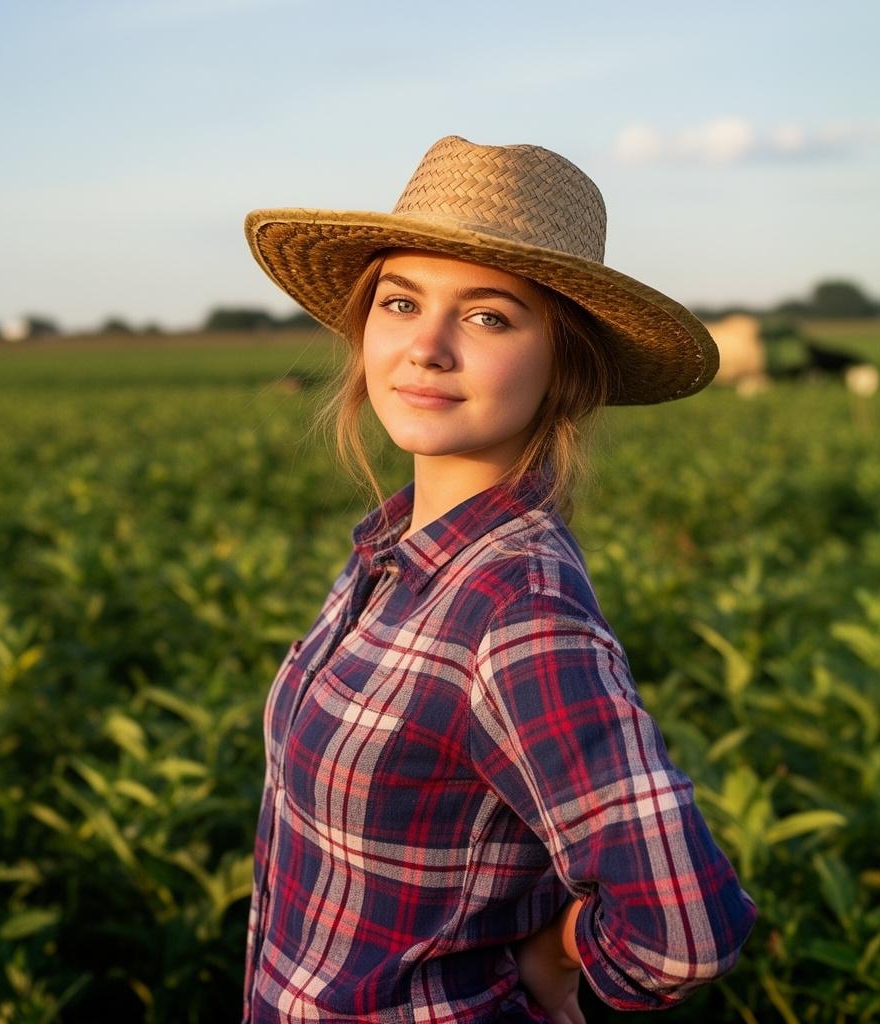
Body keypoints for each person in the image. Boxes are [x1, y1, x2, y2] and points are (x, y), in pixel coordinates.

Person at [241, 135, 756, 1024]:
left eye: (488, 317)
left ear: (566, 365)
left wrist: (552, 952)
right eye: (401, 302)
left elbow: (687, 928)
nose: (427, 348)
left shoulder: (515, 613)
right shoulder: (391, 551)